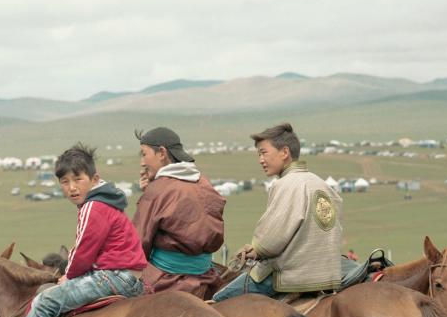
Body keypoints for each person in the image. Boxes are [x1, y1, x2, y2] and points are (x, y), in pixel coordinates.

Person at [0, 144, 147, 317]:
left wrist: (68, 276)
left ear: (94, 178)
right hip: (130, 277)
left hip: (112, 277)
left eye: (78, 179)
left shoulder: (92, 207)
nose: (72, 187)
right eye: (65, 182)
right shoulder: (107, 203)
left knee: (45, 302)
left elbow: (83, 251)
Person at [213, 122, 342, 302]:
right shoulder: (322, 185)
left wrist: (255, 249)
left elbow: (270, 242)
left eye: (264, 152)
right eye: (259, 154)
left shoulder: (286, 184)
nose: (260, 160)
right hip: (328, 276)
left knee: (219, 300)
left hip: (293, 276)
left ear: (284, 152)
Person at [132, 127, 226, 298]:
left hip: (166, 283)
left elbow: (137, 245)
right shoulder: (204, 183)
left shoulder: (157, 190)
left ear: (161, 152)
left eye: (144, 154)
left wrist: (149, 195)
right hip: (208, 279)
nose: (142, 162)